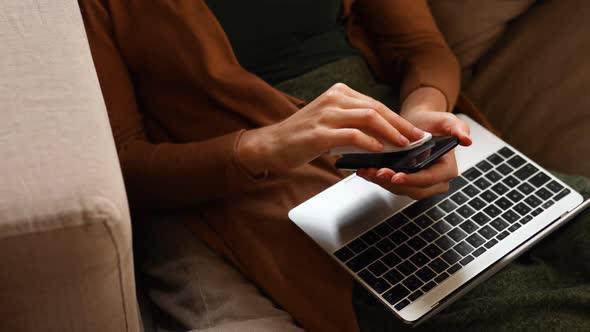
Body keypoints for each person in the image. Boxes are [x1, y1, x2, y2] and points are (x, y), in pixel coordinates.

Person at [79, 0, 590, 331]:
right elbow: (122, 162)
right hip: (286, 192)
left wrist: (422, 113)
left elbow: (421, 49)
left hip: (415, 141)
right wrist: (266, 145)